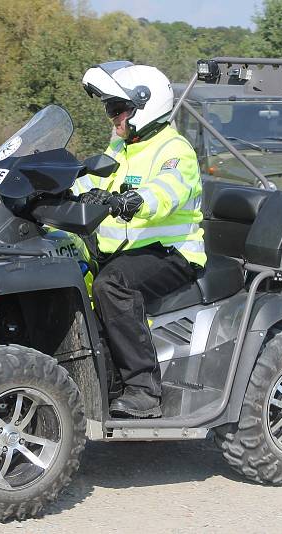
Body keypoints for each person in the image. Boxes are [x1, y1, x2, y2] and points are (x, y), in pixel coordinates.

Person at [75, 61, 206, 418]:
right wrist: (54, 190)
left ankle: (144, 391)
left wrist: (128, 200)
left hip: (172, 254)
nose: (112, 117)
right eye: (109, 108)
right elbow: (87, 183)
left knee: (111, 285)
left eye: (118, 108)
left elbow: (166, 192)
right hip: (125, 252)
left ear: (145, 105)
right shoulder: (120, 148)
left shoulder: (174, 150)